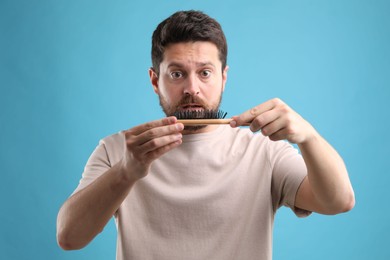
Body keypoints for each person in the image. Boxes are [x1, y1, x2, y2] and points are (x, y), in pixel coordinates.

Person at [57, 10, 355, 260]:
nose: (191, 89)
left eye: (205, 73)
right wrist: (126, 171)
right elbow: (69, 237)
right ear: (154, 80)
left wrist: (309, 138)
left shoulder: (265, 152)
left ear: (223, 78)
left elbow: (338, 201)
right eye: (176, 74)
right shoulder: (119, 149)